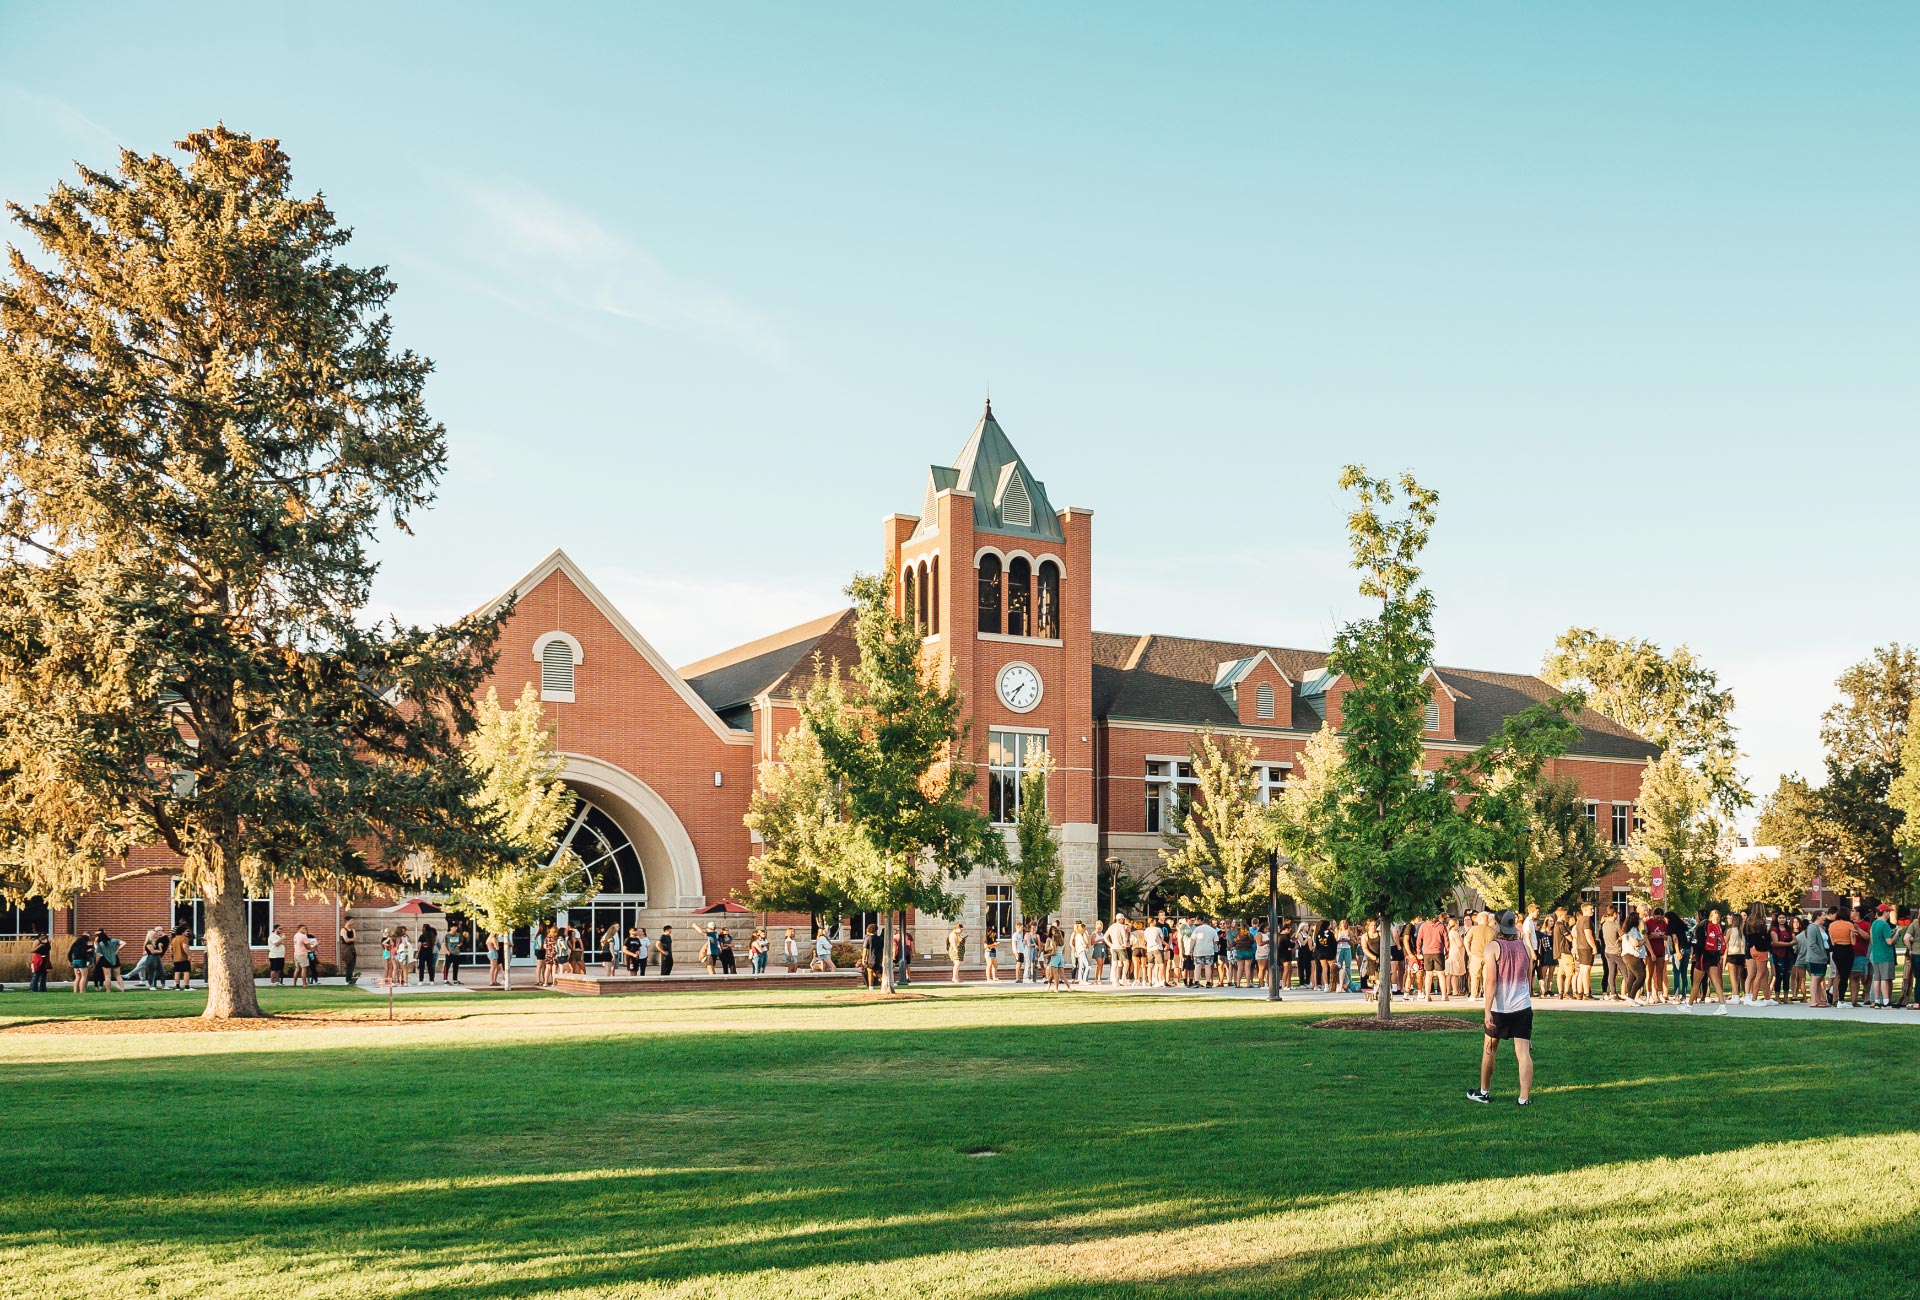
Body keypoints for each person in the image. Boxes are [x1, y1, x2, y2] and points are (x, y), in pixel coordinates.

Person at [1469, 909, 1534, 1106]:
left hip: (1500, 1008)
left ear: (1497, 925)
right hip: (1522, 1006)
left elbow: (1491, 982)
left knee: (1489, 1049)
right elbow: (1529, 977)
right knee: (1523, 1053)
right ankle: (1524, 1098)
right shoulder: (1524, 946)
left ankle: (1484, 1092)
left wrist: (1487, 1010)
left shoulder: (1493, 947)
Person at [1868, 904, 1899, 1008]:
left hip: (1876, 954)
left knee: (1877, 979)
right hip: (1886, 955)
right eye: (1888, 912)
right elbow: (1889, 942)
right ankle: (1886, 1001)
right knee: (1885, 979)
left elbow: (1872, 940)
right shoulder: (1884, 924)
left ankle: (1877, 1001)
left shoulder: (1874, 923)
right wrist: (1897, 932)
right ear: (1884, 912)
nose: (1889, 913)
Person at [1418, 913, 1448, 1001]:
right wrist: (1447, 951)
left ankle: (1427, 996)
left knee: (1428, 974)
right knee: (1441, 974)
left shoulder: (1423, 926)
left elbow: (1419, 940)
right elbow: (1446, 939)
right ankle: (1444, 995)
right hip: (1438, 952)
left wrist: (1418, 951)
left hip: (1427, 952)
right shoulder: (1441, 926)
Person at [68, 930, 95, 994]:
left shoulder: (75, 943)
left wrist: (70, 961)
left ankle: (75, 991)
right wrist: (88, 951)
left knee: (77, 977)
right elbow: (83, 952)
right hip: (81, 960)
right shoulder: (84, 943)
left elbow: (69, 953)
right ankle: (82, 991)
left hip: (75, 961)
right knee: (84, 977)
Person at [167, 925, 193, 989]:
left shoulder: (174, 939)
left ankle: (177, 986)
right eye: (186, 931)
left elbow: (170, 948)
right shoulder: (184, 938)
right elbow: (184, 947)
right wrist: (188, 955)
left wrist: (173, 954)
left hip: (176, 958)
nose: (187, 933)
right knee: (186, 971)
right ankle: (187, 986)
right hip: (184, 958)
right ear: (182, 932)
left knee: (177, 972)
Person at [862, 924, 884, 990]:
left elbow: (865, 949)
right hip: (879, 957)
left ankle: (871, 987)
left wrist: (863, 959)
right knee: (877, 972)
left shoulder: (868, 938)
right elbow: (882, 949)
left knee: (870, 972)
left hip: (871, 958)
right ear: (876, 930)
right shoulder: (880, 939)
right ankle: (883, 984)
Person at [339, 917, 358, 986]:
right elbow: (346, 940)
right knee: (348, 963)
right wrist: (352, 939)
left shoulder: (353, 930)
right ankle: (347, 980)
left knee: (353, 963)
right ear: (347, 921)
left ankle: (350, 979)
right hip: (346, 948)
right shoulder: (343, 930)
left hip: (352, 947)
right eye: (351, 920)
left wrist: (351, 939)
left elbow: (355, 939)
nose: (352, 922)